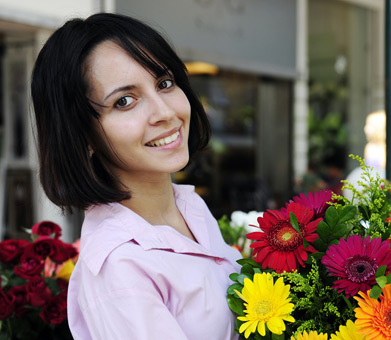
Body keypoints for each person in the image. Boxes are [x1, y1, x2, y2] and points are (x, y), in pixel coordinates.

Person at [31, 13, 241, 339]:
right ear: (82, 134)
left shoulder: (189, 208)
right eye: (125, 101)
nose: (165, 112)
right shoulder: (119, 266)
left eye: (164, 83)